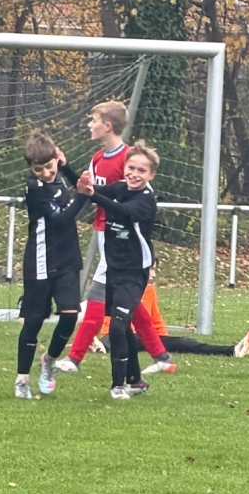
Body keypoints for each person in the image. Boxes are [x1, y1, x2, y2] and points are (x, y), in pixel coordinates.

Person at [54, 101, 170, 375]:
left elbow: (138, 204)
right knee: (127, 305)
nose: (89, 125)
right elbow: (89, 190)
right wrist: (65, 168)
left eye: (93, 120)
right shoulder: (98, 158)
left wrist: (148, 258)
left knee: (97, 296)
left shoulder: (131, 159)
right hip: (106, 235)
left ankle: (75, 358)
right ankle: (160, 356)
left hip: (124, 244)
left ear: (107, 126)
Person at [76, 141, 160, 399]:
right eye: (131, 168)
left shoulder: (145, 200)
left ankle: (117, 386)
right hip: (114, 269)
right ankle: (135, 381)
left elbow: (122, 210)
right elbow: (95, 189)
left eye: (141, 171)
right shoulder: (121, 187)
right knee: (122, 328)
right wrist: (67, 170)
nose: (134, 174)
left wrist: (92, 195)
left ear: (151, 175)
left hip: (134, 273)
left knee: (117, 326)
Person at [15, 132, 90, 398]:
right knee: (33, 322)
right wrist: (82, 197)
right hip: (41, 261)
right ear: (31, 168)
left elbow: (79, 184)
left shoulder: (58, 174)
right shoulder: (35, 188)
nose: (46, 173)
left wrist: (66, 167)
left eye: (50, 166)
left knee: (70, 315)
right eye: (39, 169)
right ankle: (22, 379)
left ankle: (49, 360)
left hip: (67, 258)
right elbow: (60, 219)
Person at [134, 278, 249, 367]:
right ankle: (232, 351)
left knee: (182, 343)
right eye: (150, 269)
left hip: (143, 337)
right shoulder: (126, 289)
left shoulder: (149, 290)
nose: (153, 274)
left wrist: (165, 341)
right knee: (183, 342)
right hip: (127, 338)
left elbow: (156, 320)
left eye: (154, 269)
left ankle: (233, 350)